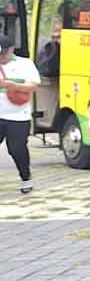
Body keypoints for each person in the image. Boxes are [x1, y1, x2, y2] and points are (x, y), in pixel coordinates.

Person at [0, 34, 40, 194]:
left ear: (11, 50)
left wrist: (11, 85)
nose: (1, 57)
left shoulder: (25, 64)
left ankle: (26, 177)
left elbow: (33, 86)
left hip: (18, 116)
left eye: (4, 53)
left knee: (16, 149)